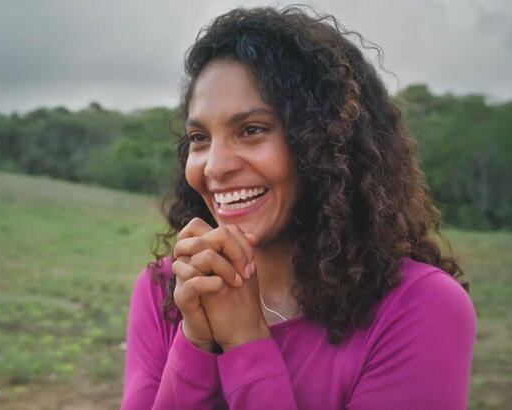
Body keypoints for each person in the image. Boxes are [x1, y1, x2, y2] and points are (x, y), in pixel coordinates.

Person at [121, 6, 476, 410]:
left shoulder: (419, 308)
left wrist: (246, 342)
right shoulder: (166, 291)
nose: (215, 166)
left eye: (252, 130)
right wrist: (195, 342)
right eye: (200, 137)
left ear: (327, 142)